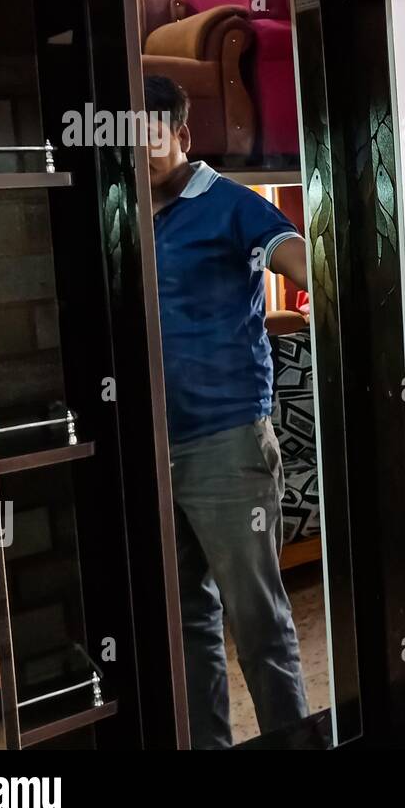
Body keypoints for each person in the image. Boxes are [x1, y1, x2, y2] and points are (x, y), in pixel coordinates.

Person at [145, 74, 311, 749]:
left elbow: (292, 254)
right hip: (153, 445)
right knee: (186, 623)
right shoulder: (125, 209)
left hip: (227, 443)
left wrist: (333, 278)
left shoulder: (231, 205)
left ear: (181, 135)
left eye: (148, 137)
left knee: (258, 620)